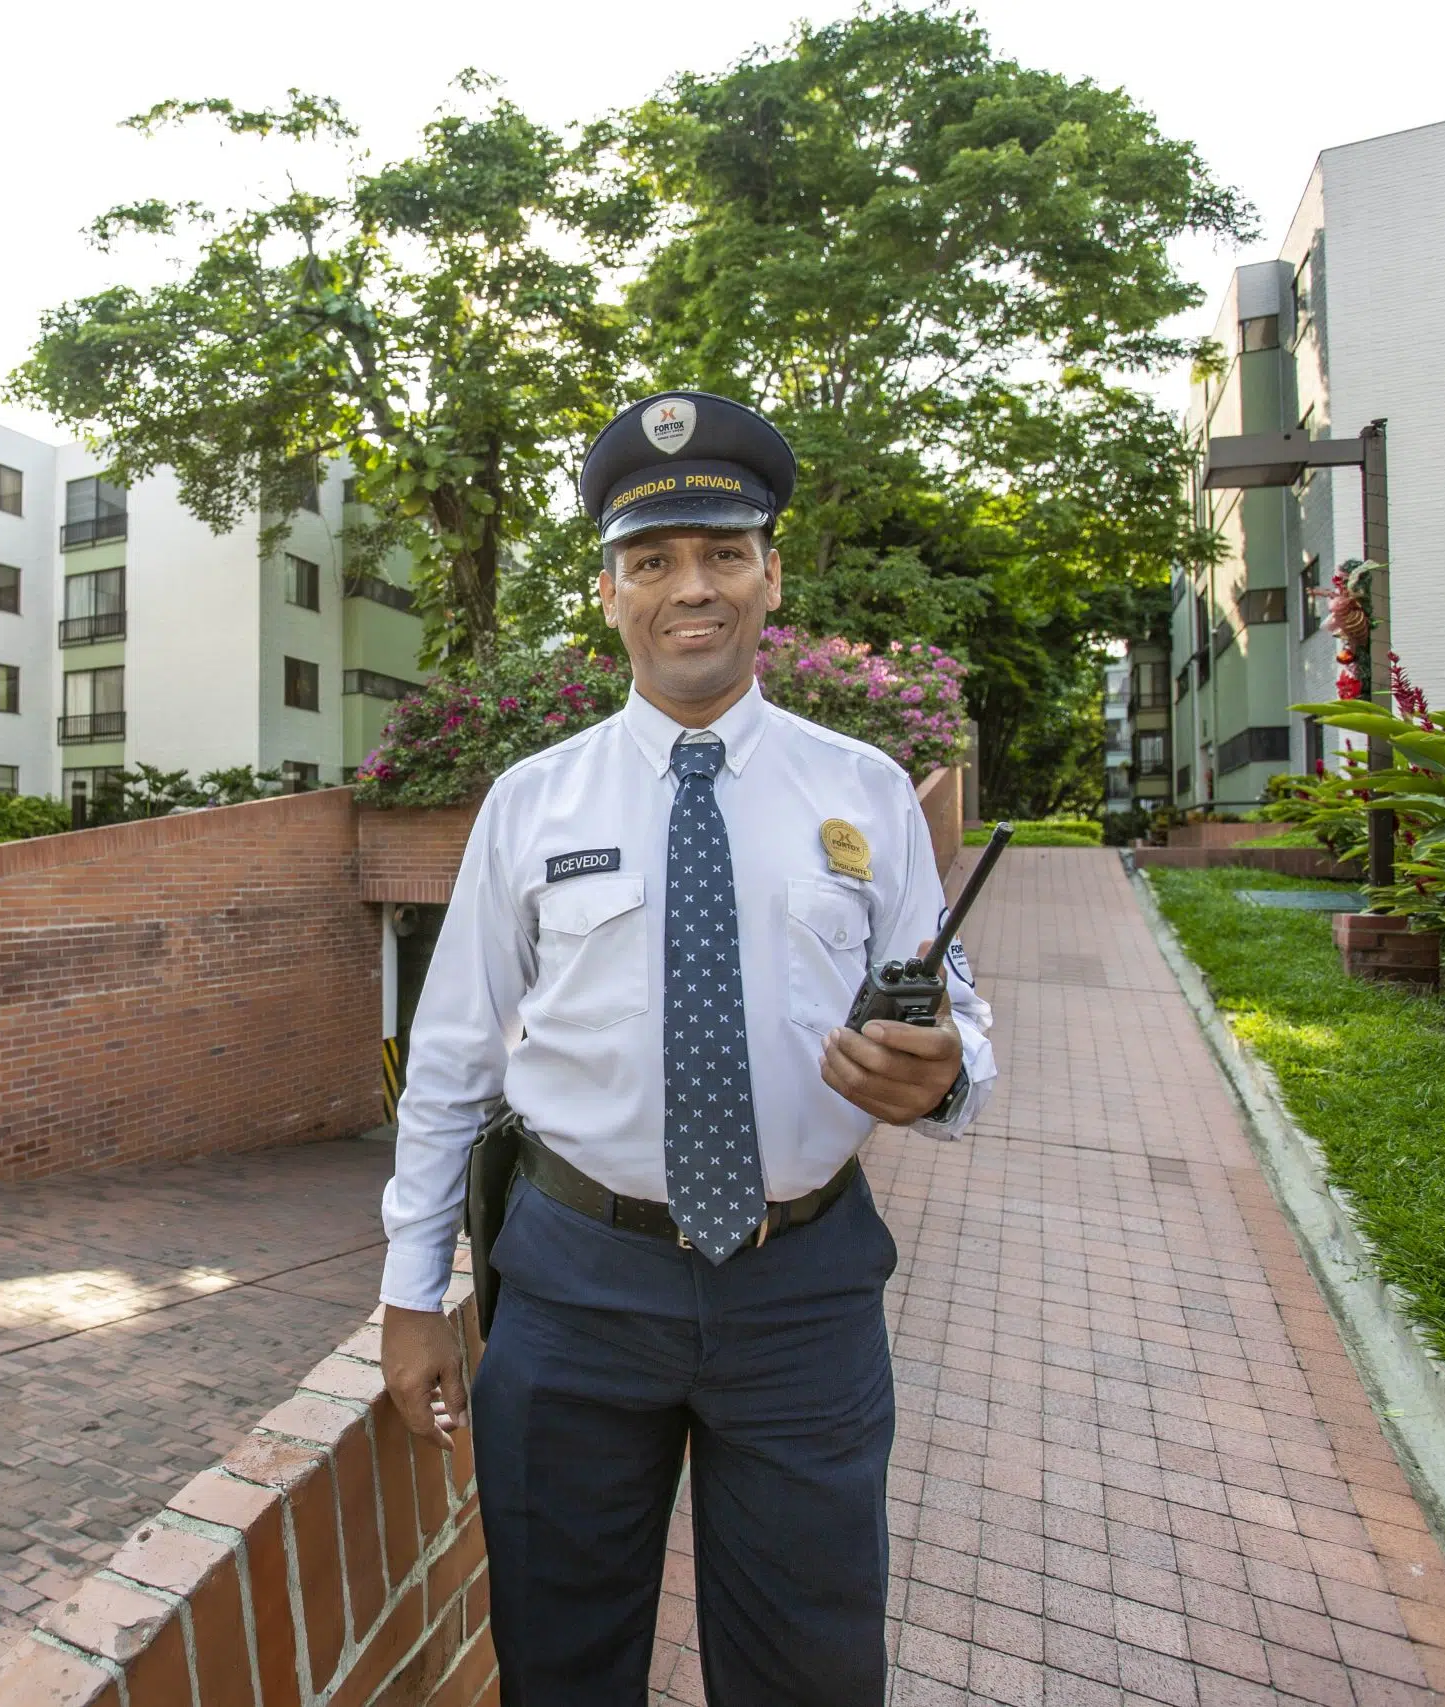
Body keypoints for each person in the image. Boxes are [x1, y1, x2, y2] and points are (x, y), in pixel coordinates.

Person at [376, 390, 998, 1706]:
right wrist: (409, 1290)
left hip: (804, 1295)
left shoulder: (866, 791)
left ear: (772, 571)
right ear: (609, 593)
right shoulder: (532, 803)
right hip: (575, 1289)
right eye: (652, 560)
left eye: (722, 551)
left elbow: (958, 1009)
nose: (691, 588)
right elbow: (452, 1062)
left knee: (812, 1677)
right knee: (562, 1668)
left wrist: (944, 1073)